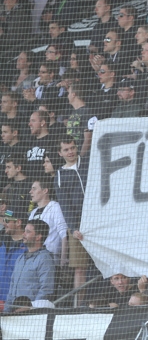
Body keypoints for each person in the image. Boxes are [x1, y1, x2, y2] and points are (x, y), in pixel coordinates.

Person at [55, 135, 90, 302]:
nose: (70, 152)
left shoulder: (89, 164)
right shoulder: (60, 175)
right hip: (78, 227)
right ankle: (78, 306)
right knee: (79, 268)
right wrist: (74, 227)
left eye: (72, 148)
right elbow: (65, 204)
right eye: (66, 150)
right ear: (60, 153)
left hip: (98, 222)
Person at [4, 219, 54, 313]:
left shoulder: (45, 259)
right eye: (24, 231)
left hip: (31, 316)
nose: (23, 234)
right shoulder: (20, 259)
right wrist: (7, 312)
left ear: (38, 236)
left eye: (28, 232)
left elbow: (46, 289)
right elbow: (12, 289)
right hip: (14, 315)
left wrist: (31, 309)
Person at [0, 209, 27, 311]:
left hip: (14, 305)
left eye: (7, 220)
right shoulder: (1, 244)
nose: (4, 223)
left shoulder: (27, 248)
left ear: (18, 222)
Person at [65, 83, 98, 158]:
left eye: (68, 93)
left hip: (84, 159)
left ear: (73, 94)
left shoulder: (88, 112)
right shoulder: (72, 113)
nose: (67, 95)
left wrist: (80, 158)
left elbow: (88, 138)